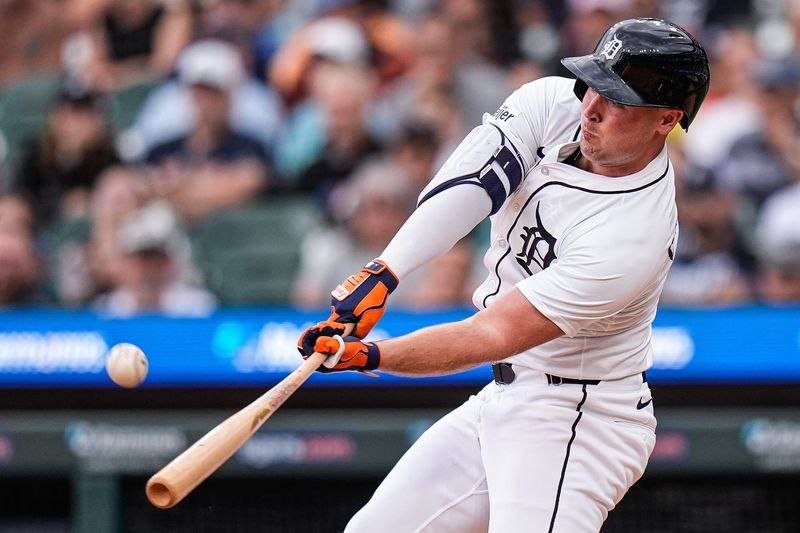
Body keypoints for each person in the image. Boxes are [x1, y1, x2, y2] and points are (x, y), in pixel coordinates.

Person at [296, 18, 710, 532]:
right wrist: (385, 271)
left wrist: (373, 355)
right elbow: (472, 182)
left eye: (617, 101)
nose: (591, 108)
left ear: (666, 119)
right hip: (505, 396)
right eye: (593, 85)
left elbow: (491, 333)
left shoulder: (633, 235)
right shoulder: (553, 103)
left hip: (579, 420)